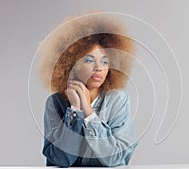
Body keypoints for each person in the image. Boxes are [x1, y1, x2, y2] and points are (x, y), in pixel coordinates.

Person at [37, 13, 138, 167]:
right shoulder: (55, 102)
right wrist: (75, 111)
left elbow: (117, 158)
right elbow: (59, 160)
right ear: (72, 63)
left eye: (105, 61)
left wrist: (89, 113)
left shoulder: (117, 99)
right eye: (89, 60)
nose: (98, 68)